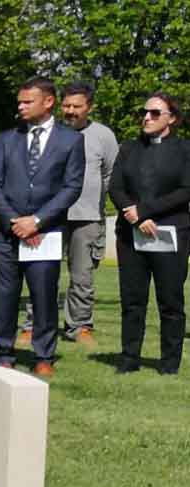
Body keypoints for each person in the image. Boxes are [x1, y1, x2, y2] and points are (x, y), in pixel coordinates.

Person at [0, 77, 84, 377]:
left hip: (45, 233)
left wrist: (37, 221)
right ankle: (3, 352)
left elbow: (71, 187)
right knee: (4, 295)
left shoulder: (71, 141)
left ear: (48, 102)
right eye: (19, 101)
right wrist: (15, 221)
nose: (21, 106)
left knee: (43, 295)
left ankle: (43, 356)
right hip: (6, 233)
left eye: (27, 101)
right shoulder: (6, 139)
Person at [20, 82, 119, 346]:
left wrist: (93, 199)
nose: (71, 111)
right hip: (49, 216)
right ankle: (33, 326)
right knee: (41, 273)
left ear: (89, 107)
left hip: (87, 217)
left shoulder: (103, 136)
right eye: (67, 105)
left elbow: (110, 174)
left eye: (77, 106)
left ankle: (80, 327)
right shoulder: (48, 132)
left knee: (82, 277)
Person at [108, 92, 190, 375]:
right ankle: (129, 359)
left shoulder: (184, 150)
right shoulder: (129, 148)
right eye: (145, 112)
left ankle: (169, 363)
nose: (146, 117)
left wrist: (145, 211)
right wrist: (133, 214)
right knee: (132, 301)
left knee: (170, 301)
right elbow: (116, 187)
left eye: (155, 113)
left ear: (172, 118)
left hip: (170, 233)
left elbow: (185, 190)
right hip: (131, 235)